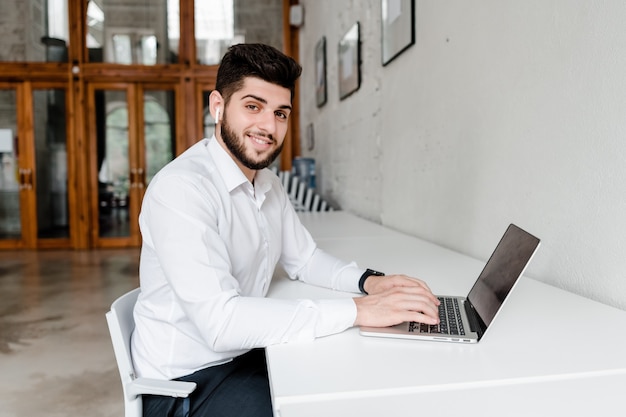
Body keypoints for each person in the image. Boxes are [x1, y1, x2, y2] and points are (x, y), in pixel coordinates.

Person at [131, 43, 440, 417]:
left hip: (244, 355)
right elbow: (222, 323)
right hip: (185, 386)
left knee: (361, 380)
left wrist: (370, 283)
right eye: (252, 106)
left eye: (280, 113)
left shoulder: (266, 182)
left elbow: (304, 259)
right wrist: (359, 310)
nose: (268, 126)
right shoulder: (182, 189)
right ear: (217, 106)